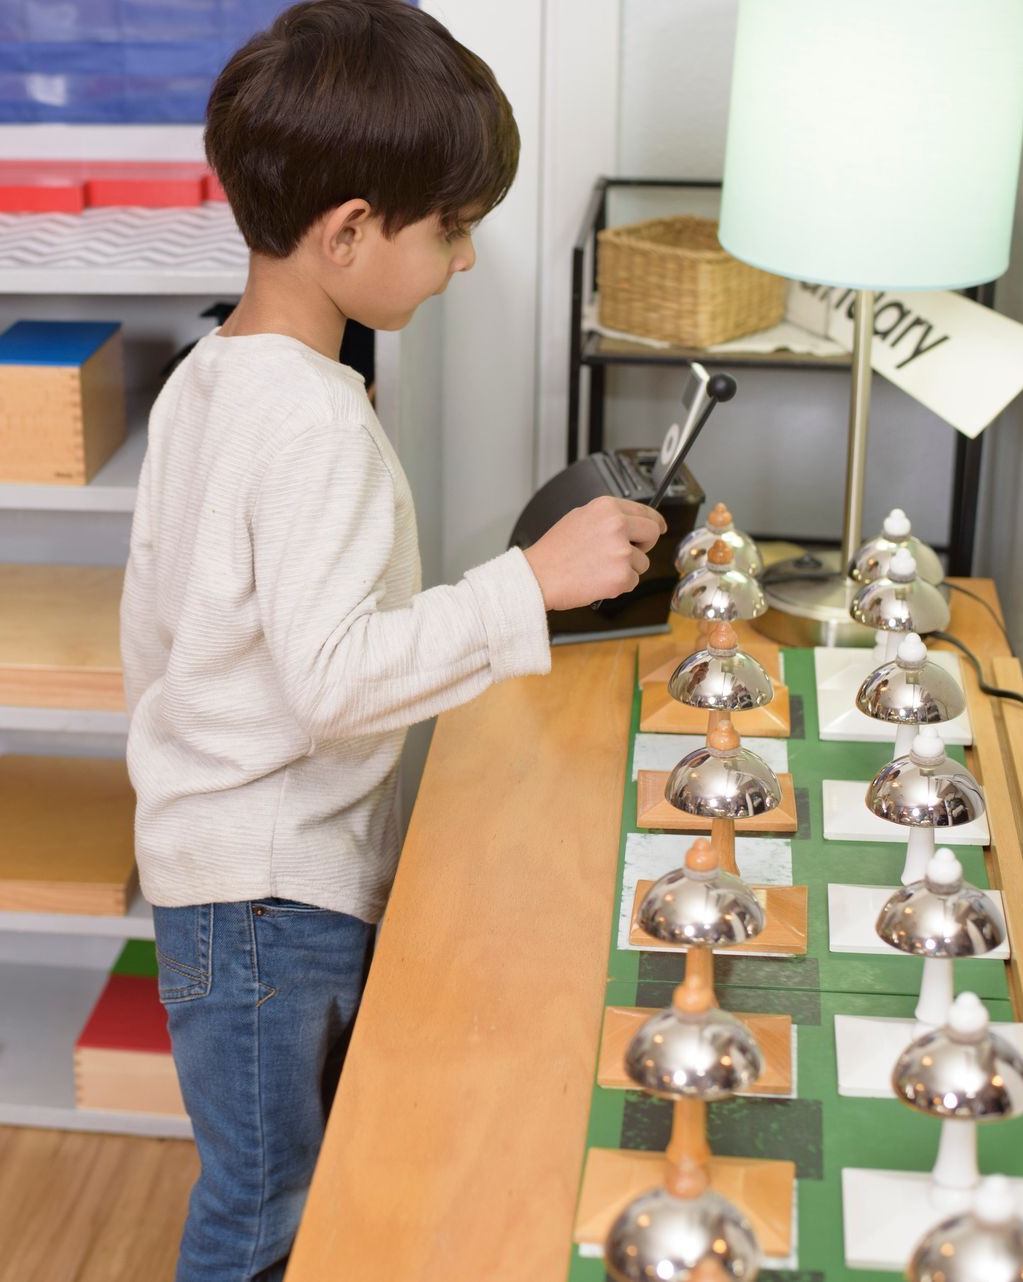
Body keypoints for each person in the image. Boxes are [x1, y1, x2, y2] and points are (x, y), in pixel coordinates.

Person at [118, 3, 665, 1278]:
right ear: (349, 231)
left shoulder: (211, 374)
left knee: (295, 1182)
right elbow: (330, 681)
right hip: (267, 894)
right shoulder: (307, 421)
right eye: (451, 228)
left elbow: (157, 629)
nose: (466, 259)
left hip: (226, 872)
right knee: (265, 1212)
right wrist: (528, 583)